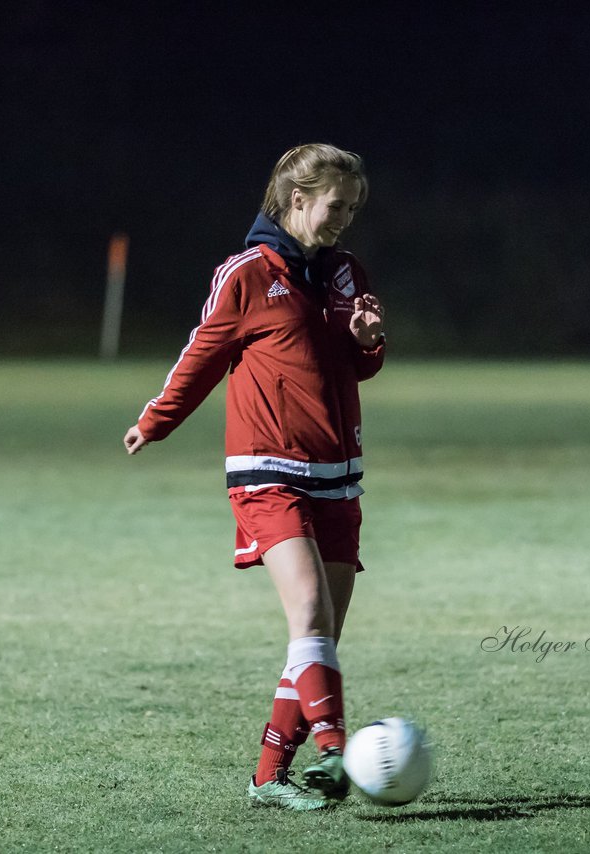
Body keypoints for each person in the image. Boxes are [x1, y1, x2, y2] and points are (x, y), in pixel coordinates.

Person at [123, 143, 385, 810]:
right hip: (266, 470)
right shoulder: (246, 274)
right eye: (336, 205)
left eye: (354, 208)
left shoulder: (345, 273)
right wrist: (155, 420)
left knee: (318, 635)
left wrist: (366, 342)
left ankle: (268, 779)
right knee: (308, 613)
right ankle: (334, 754)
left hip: (338, 471)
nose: (345, 219)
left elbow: (358, 368)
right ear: (298, 199)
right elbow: (203, 354)